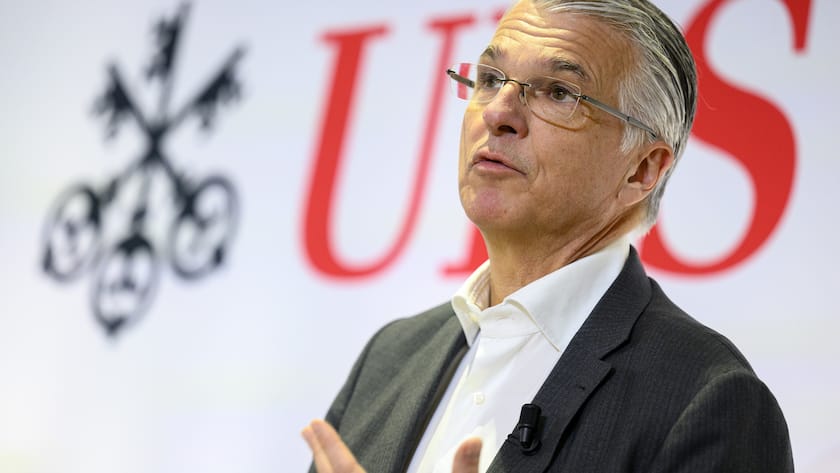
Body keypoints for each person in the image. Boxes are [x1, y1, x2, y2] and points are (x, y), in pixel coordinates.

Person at [302, 0, 794, 471]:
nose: (498, 113)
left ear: (643, 169)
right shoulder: (390, 357)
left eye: (558, 92)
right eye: (491, 79)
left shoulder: (707, 400)